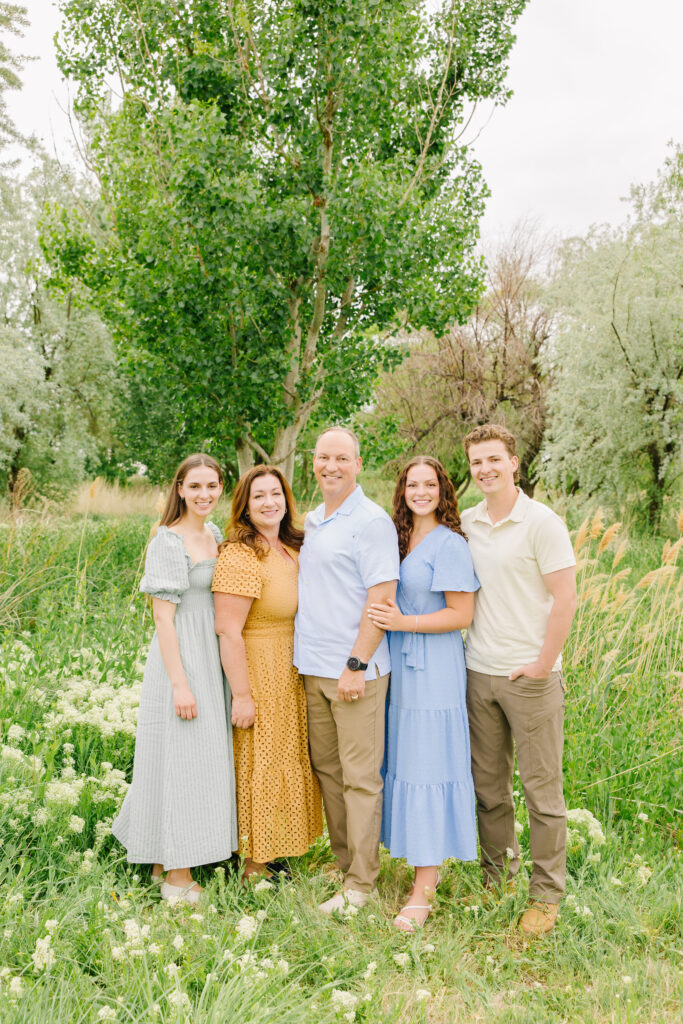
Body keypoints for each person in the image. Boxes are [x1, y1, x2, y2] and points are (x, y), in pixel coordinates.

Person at [461, 424, 577, 936]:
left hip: (530, 677)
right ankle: (499, 879)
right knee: (489, 790)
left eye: (494, 459)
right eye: (476, 462)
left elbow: (565, 598)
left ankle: (546, 895)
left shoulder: (542, 523)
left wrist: (542, 663)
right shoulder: (468, 522)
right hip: (478, 671)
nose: (485, 469)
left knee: (541, 792)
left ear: (513, 463)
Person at [112, 454, 238, 905]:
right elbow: (163, 620)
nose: (205, 494)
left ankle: (159, 864)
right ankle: (177, 878)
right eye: (195, 486)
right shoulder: (168, 541)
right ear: (180, 489)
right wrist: (180, 684)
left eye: (212, 485)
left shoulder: (214, 534)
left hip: (210, 654)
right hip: (182, 658)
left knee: (195, 759)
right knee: (182, 759)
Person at [368, 456, 479, 932]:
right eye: (412, 484)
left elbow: (461, 615)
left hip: (433, 667)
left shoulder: (449, 544)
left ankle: (423, 889)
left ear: (443, 490)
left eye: (429, 484)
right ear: (402, 491)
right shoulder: (397, 537)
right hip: (399, 664)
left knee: (429, 766)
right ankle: (405, 863)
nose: (420, 492)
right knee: (404, 762)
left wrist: (404, 622)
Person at [294, 427, 400, 913]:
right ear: (314, 462)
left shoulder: (371, 522)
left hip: (354, 671)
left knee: (360, 778)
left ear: (358, 463)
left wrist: (356, 665)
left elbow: (382, 601)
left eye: (341, 458)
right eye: (323, 457)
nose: (330, 466)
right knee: (329, 771)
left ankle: (362, 883)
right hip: (313, 668)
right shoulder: (314, 520)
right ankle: (344, 862)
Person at [212, 466, 322, 880]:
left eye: (275, 493)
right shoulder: (240, 554)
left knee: (286, 757)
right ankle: (253, 864)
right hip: (258, 668)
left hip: (292, 667)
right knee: (259, 759)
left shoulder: (293, 547)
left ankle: (276, 849)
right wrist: (242, 695)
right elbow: (227, 630)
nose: (269, 502)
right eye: (258, 496)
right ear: (245, 505)